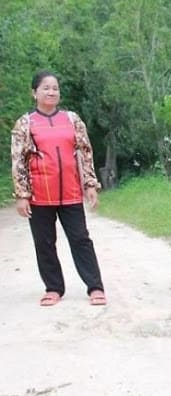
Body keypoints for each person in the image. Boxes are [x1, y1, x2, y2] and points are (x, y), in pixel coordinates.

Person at [10, 70, 106, 307]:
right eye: (45, 88)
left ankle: (95, 287)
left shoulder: (72, 119)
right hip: (40, 196)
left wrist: (90, 184)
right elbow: (18, 160)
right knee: (44, 242)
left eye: (55, 88)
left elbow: (85, 152)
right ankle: (53, 288)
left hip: (71, 194)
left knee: (81, 239)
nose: (51, 92)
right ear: (34, 93)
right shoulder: (25, 123)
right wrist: (22, 195)